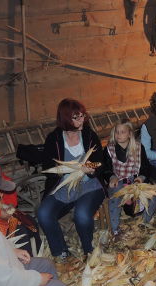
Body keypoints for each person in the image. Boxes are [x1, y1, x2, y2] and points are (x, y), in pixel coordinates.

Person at [37, 98, 105, 260]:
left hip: (89, 185)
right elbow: (48, 167)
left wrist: (90, 169)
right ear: (66, 118)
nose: (82, 120)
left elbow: (101, 162)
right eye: (76, 117)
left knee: (82, 215)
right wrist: (66, 169)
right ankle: (61, 252)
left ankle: (88, 251)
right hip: (64, 185)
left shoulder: (89, 135)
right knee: (44, 213)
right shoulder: (54, 139)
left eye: (82, 115)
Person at [103, 119, 156, 236]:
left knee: (153, 197)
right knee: (115, 198)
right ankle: (115, 229)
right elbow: (105, 168)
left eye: (122, 132)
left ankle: (144, 223)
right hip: (118, 180)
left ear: (129, 133)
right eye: (117, 132)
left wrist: (141, 178)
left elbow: (145, 167)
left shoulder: (138, 148)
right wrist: (111, 177)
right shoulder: (109, 149)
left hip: (135, 180)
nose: (119, 135)